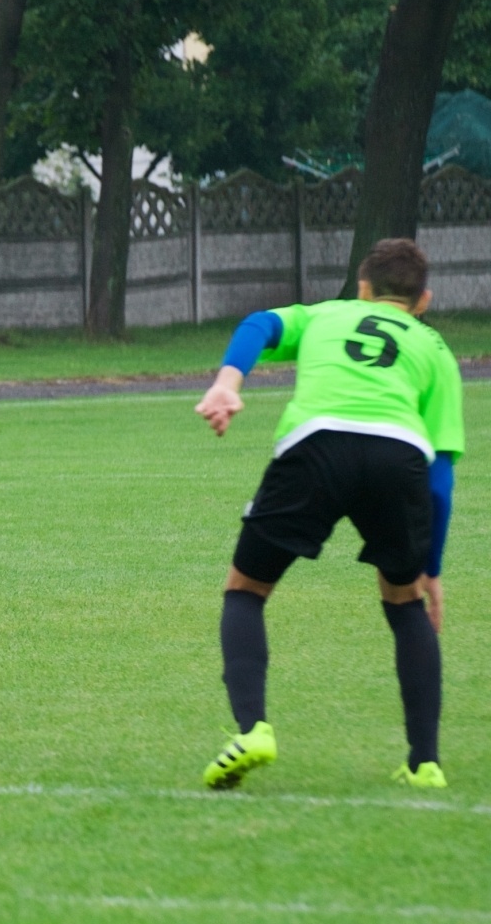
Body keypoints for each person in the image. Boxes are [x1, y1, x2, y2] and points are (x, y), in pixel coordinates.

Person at [194, 238, 463, 790]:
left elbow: (258, 325)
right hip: (398, 453)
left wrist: (228, 382)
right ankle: (425, 763)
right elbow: (440, 478)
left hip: (315, 449)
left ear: (362, 287)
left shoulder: (329, 313)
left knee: (245, 590)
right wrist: (429, 565)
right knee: (404, 601)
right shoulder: (434, 349)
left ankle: (253, 730)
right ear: (423, 300)